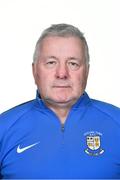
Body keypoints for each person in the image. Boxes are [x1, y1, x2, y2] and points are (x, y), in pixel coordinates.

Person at [0, 23, 120, 179]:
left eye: (73, 63)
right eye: (51, 62)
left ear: (87, 71)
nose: (62, 73)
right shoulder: (4, 127)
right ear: (34, 70)